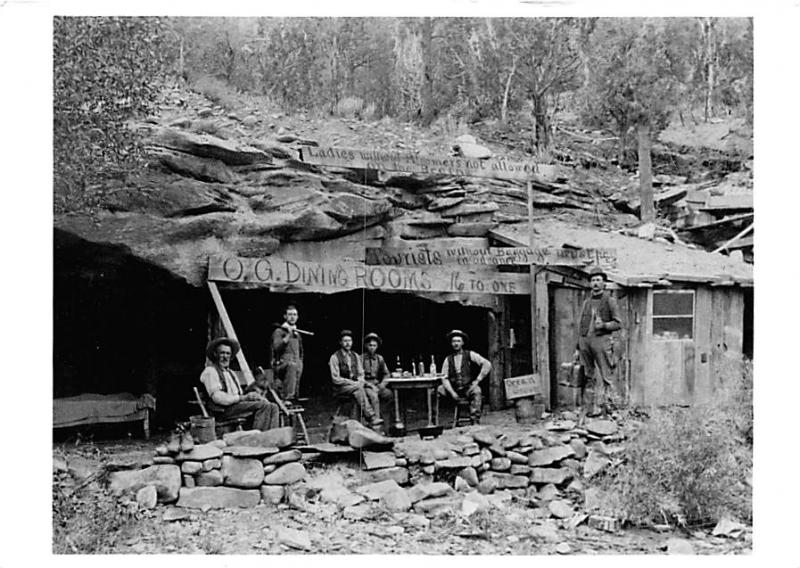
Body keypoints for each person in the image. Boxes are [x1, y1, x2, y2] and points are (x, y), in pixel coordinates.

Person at [200, 337, 280, 431]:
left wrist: (253, 396)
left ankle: (272, 437)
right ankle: (259, 439)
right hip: (222, 411)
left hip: (235, 408)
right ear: (215, 354)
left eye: (228, 353)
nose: (225, 357)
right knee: (263, 406)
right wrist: (243, 398)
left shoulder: (231, 373)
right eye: (222, 353)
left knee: (273, 406)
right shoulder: (210, 371)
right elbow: (218, 398)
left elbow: (240, 395)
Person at [575, 266, 622, 418]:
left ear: (604, 283)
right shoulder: (586, 302)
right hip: (585, 343)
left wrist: (604, 325)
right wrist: (578, 346)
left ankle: (611, 410)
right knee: (588, 376)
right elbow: (582, 324)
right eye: (593, 280)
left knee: (607, 377)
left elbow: (618, 323)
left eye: (598, 280)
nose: (595, 283)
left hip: (602, 341)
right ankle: (590, 409)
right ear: (590, 283)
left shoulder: (610, 300)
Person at [329, 329, 382, 428]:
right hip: (341, 388)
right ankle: (371, 417)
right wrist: (352, 383)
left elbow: (361, 373)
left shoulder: (355, 356)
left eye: (349, 341)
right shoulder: (335, 357)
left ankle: (374, 424)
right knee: (358, 389)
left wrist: (361, 382)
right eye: (345, 341)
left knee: (371, 393)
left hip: (356, 387)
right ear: (340, 343)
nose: (347, 343)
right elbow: (335, 379)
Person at [439, 330, 491, 424]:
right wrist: (452, 392)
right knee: (438, 390)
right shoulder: (448, 359)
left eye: (458, 341)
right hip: (453, 388)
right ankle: (435, 421)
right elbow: (444, 378)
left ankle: (475, 420)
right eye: (454, 341)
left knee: (477, 391)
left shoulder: (470, 354)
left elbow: (487, 364)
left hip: (467, 388)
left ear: (462, 343)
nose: (456, 344)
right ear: (451, 343)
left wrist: (478, 380)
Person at [270, 304, 304, 403]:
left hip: (295, 365)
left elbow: (301, 351)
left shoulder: (298, 334)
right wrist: (288, 335)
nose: (292, 317)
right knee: (292, 366)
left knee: (295, 368)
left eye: (294, 314)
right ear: (285, 316)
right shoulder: (279, 331)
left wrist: (300, 363)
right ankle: (288, 398)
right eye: (290, 314)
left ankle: (292, 399)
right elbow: (276, 348)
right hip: (282, 366)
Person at [361, 332, 393, 426]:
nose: (372, 347)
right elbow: (358, 376)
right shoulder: (360, 358)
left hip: (377, 384)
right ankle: (376, 423)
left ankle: (387, 422)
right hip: (366, 385)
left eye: (374, 345)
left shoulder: (379, 358)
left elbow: (387, 374)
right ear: (366, 345)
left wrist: (382, 384)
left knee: (389, 394)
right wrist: (368, 385)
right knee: (374, 397)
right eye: (370, 345)